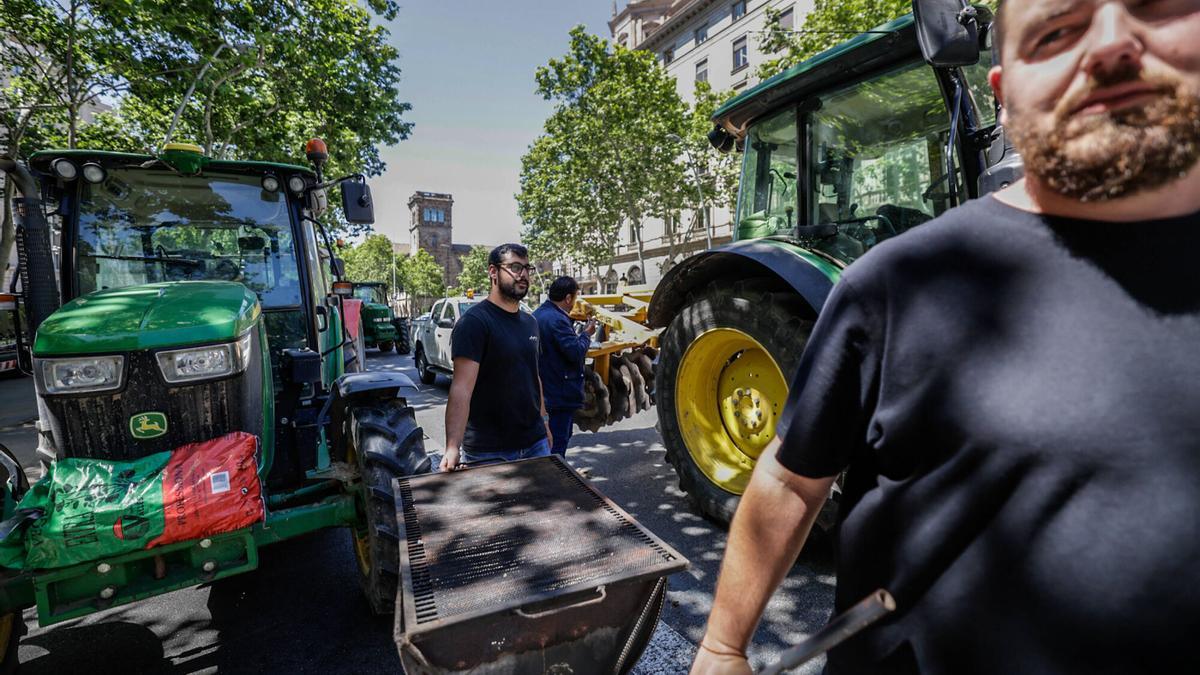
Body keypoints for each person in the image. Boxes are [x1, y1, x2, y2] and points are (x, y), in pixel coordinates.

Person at [692, 1, 1200, 673]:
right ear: (1005, 92)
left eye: (1160, 7)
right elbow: (788, 478)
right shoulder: (896, 282)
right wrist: (723, 645)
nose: (1110, 44)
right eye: (1056, 31)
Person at [439, 243, 553, 470]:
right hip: (489, 451)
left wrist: (545, 422)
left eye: (527, 268)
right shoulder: (474, 323)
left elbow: (533, 377)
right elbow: (461, 388)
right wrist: (452, 446)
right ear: (493, 272)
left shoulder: (531, 323)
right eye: (515, 267)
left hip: (535, 443)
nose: (523, 275)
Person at [533, 276, 598, 457]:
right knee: (557, 448)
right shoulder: (558, 320)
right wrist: (586, 334)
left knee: (546, 445)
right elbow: (575, 352)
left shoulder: (537, 315)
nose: (574, 304)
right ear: (568, 298)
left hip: (546, 392)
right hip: (559, 395)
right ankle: (552, 483)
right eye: (575, 298)